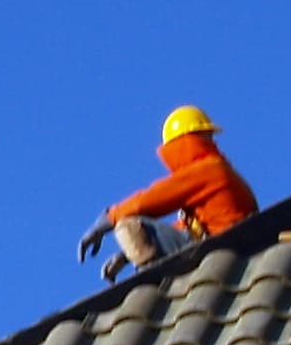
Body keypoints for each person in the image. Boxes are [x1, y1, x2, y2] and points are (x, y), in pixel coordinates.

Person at [77, 105, 260, 282]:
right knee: (136, 231)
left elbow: (145, 202)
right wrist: (127, 255)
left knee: (128, 225)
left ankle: (151, 279)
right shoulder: (214, 171)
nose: (211, 141)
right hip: (228, 247)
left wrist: (105, 221)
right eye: (207, 136)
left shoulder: (208, 170)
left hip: (220, 248)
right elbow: (187, 228)